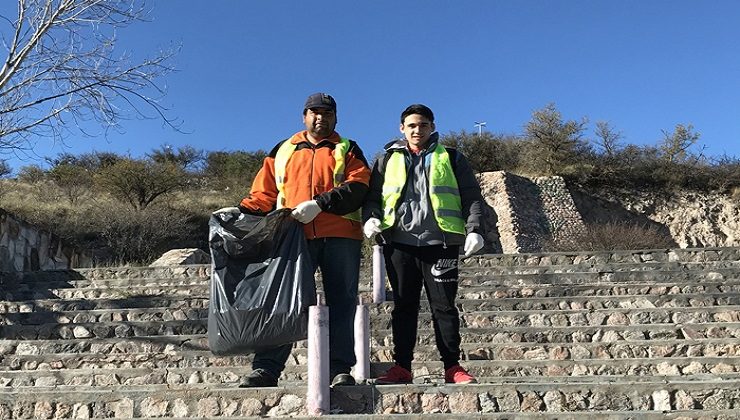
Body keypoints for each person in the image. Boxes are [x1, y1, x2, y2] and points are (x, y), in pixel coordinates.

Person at [217, 93, 370, 387]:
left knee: (342, 303)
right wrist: (240, 210)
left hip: (341, 236)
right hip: (292, 237)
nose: (320, 118)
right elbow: (264, 194)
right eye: (314, 113)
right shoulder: (283, 149)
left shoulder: (348, 148)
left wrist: (321, 203)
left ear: (336, 117)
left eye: (326, 113)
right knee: (283, 301)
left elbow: (359, 186)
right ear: (304, 116)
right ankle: (266, 368)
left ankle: (339, 370)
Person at [362, 104, 485, 384]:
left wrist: (475, 229)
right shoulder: (385, 160)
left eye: (424, 125)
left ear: (433, 127)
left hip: (441, 244)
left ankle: (453, 367)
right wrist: (370, 218)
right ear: (402, 128)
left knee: (444, 306)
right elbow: (372, 197)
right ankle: (401, 367)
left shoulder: (452, 157)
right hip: (400, 244)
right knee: (404, 306)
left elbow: (471, 196)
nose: (418, 130)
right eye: (412, 125)